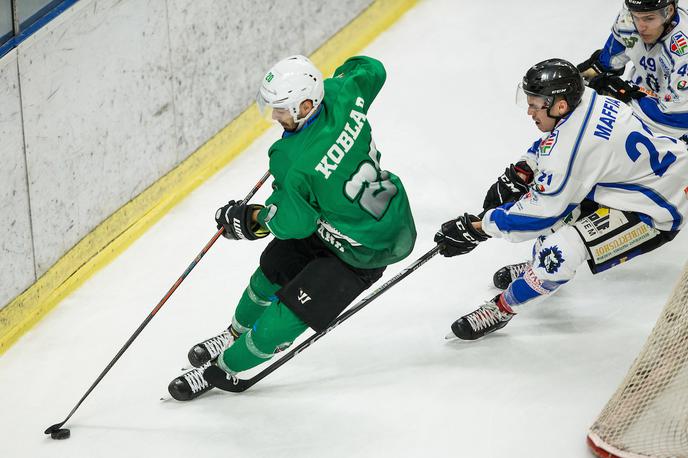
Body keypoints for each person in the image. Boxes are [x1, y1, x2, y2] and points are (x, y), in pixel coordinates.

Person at [168, 55, 416, 400]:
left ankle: (220, 369)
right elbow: (374, 68)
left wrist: (252, 218)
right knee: (269, 272)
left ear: (307, 104)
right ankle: (233, 332)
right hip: (346, 218)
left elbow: (291, 224)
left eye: (282, 109)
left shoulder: (293, 161)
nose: (275, 117)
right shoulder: (341, 92)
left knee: (278, 325)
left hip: (363, 250)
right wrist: (337, 85)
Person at [435, 58, 688, 341]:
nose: (530, 111)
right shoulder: (590, 97)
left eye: (535, 104)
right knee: (563, 216)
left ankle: (502, 308)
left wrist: (478, 228)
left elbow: (540, 215)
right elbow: (554, 141)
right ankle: (533, 270)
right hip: (638, 180)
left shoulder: (570, 153)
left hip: (659, 206)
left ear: (560, 105)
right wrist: (524, 169)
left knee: (559, 251)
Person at [577, 0, 688, 139]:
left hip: (675, 121)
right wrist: (593, 72)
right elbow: (609, 60)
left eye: (649, 18)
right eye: (636, 16)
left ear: (669, 11)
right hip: (646, 95)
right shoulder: (629, 20)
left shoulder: (683, 53)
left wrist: (625, 97)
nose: (641, 27)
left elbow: (678, 119)